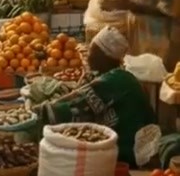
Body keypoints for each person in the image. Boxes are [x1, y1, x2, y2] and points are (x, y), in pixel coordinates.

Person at [38, 26, 156, 167]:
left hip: (128, 151)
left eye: (92, 52)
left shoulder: (116, 80)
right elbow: (81, 92)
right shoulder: (115, 74)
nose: (87, 56)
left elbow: (76, 104)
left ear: (104, 57)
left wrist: (39, 111)